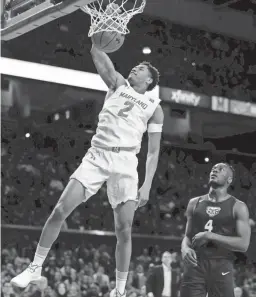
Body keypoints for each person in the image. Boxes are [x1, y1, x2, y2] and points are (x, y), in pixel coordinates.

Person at [10, 42, 164, 297]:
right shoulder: (117, 84)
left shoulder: (154, 108)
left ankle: (120, 290)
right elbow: (99, 57)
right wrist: (96, 39)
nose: (135, 69)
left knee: (124, 229)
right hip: (98, 156)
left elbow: (154, 151)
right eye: (135, 67)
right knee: (60, 209)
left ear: (149, 80)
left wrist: (146, 184)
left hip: (126, 162)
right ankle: (35, 267)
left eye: (140, 69)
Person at [180, 163, 251, 297]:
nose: (215, 171)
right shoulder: (194, 203)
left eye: (221, 170)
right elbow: (187, 236)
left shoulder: (238, 206)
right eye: (214, 169)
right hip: (196, 263)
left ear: (229, 180)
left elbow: (243, 244)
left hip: (222, 263)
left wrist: (210, 236)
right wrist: (185, 248)